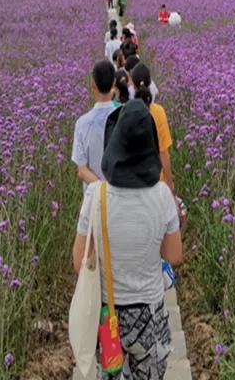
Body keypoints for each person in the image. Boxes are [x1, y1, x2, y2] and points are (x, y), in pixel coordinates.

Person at [73, 101, 181, 380]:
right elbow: (173, 255)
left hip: (109, 317)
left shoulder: (96, 196)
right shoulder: (162, 196)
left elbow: (78, 262)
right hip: (150, 313)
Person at [71, 60, 117, 189]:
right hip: (121, 200)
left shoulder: (82, 124)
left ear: (93, 84)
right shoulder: (124, 117)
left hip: (93, 200)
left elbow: (82, 171)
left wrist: (103, 190)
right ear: (114, 82)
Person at [131, 63, 174, 193]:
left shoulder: (127, 112)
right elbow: (163, 152)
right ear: (150, 84)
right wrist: (170, 183)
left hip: (135, 181)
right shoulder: (159, 112)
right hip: (157, 181)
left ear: (133, 86)